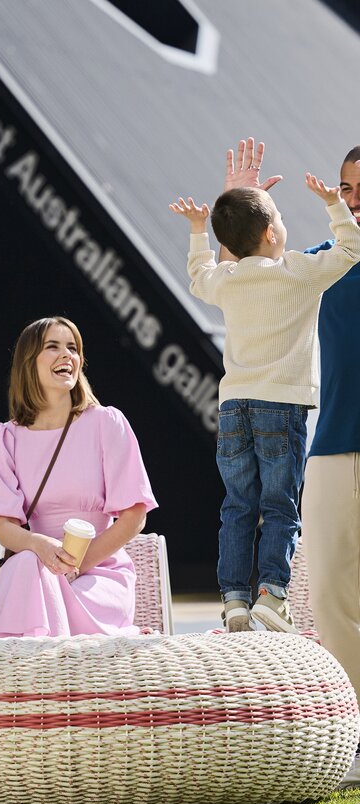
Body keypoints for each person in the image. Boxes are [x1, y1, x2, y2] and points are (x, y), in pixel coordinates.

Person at [169, 147, 360, 634]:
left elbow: (208, 274)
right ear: (274, 232)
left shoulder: (244, 276)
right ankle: (272, 595)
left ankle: (235, 599)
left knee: (239, 505)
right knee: (282, 510)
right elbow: (348, 249)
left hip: (236, 405)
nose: (351, 198)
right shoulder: (301, 270)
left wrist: (216, 220)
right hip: (303, 419)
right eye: (347, 189)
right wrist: (327, 207)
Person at [0, 315, 158, 637]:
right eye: (53, 346)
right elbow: (4, 527)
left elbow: (134, 517)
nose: (67, 355)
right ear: (28, 363)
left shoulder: (106, 423)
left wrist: (74, 566)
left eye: (73, 348)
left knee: (31, 580)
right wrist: (41, 547)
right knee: (24, 566)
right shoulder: (3, 438)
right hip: (36, 568)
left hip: (99, 574)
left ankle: (25, 668)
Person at [300, 146, 360, 788]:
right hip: (334, 447)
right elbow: (253, 270)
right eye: (346, 187)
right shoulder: (328, 262)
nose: (352, 199)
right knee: (330, 600)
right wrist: (236, 210)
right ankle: (354, 737)